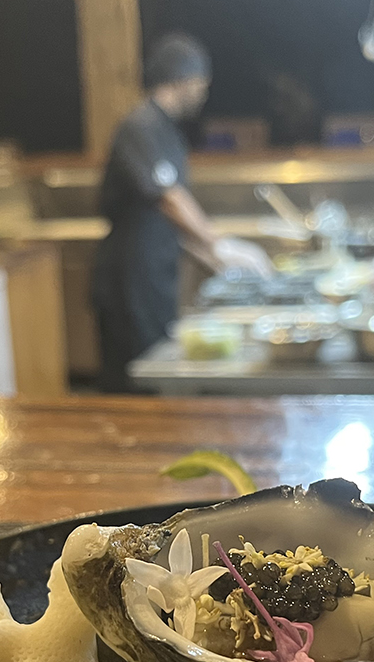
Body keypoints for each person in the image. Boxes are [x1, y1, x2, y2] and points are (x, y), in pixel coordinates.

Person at [91, 33, 271, 392]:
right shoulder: (140, 126)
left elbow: (173, 213)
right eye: (201, 83)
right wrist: (220, 245)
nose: (203, 92)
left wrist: (211, 254)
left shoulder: (165, 130)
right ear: (182, 79)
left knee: (155, 376)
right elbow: (168, 199)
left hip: (155, 274)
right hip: (130, 279)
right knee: (135, 382)